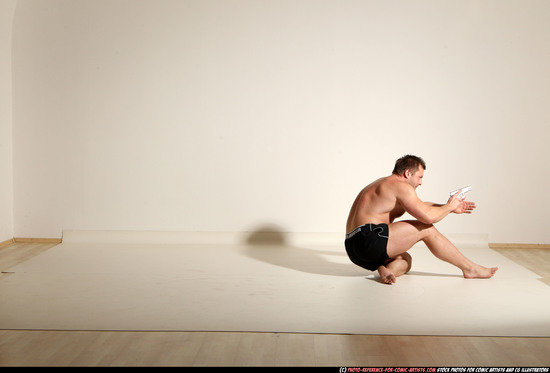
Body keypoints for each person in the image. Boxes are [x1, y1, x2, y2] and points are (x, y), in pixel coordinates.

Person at [345, 154, 498, 284]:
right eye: (419, 177)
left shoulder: (383, 184)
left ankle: (383, 269)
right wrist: (450, 207)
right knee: (427, 229)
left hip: (354, 248)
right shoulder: (401, 187)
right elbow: (428, 217)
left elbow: (420, 206)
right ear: (407, 173)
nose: (421, 182)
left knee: (405, 260)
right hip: (368, 239)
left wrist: (446, 206)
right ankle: (470, 268)